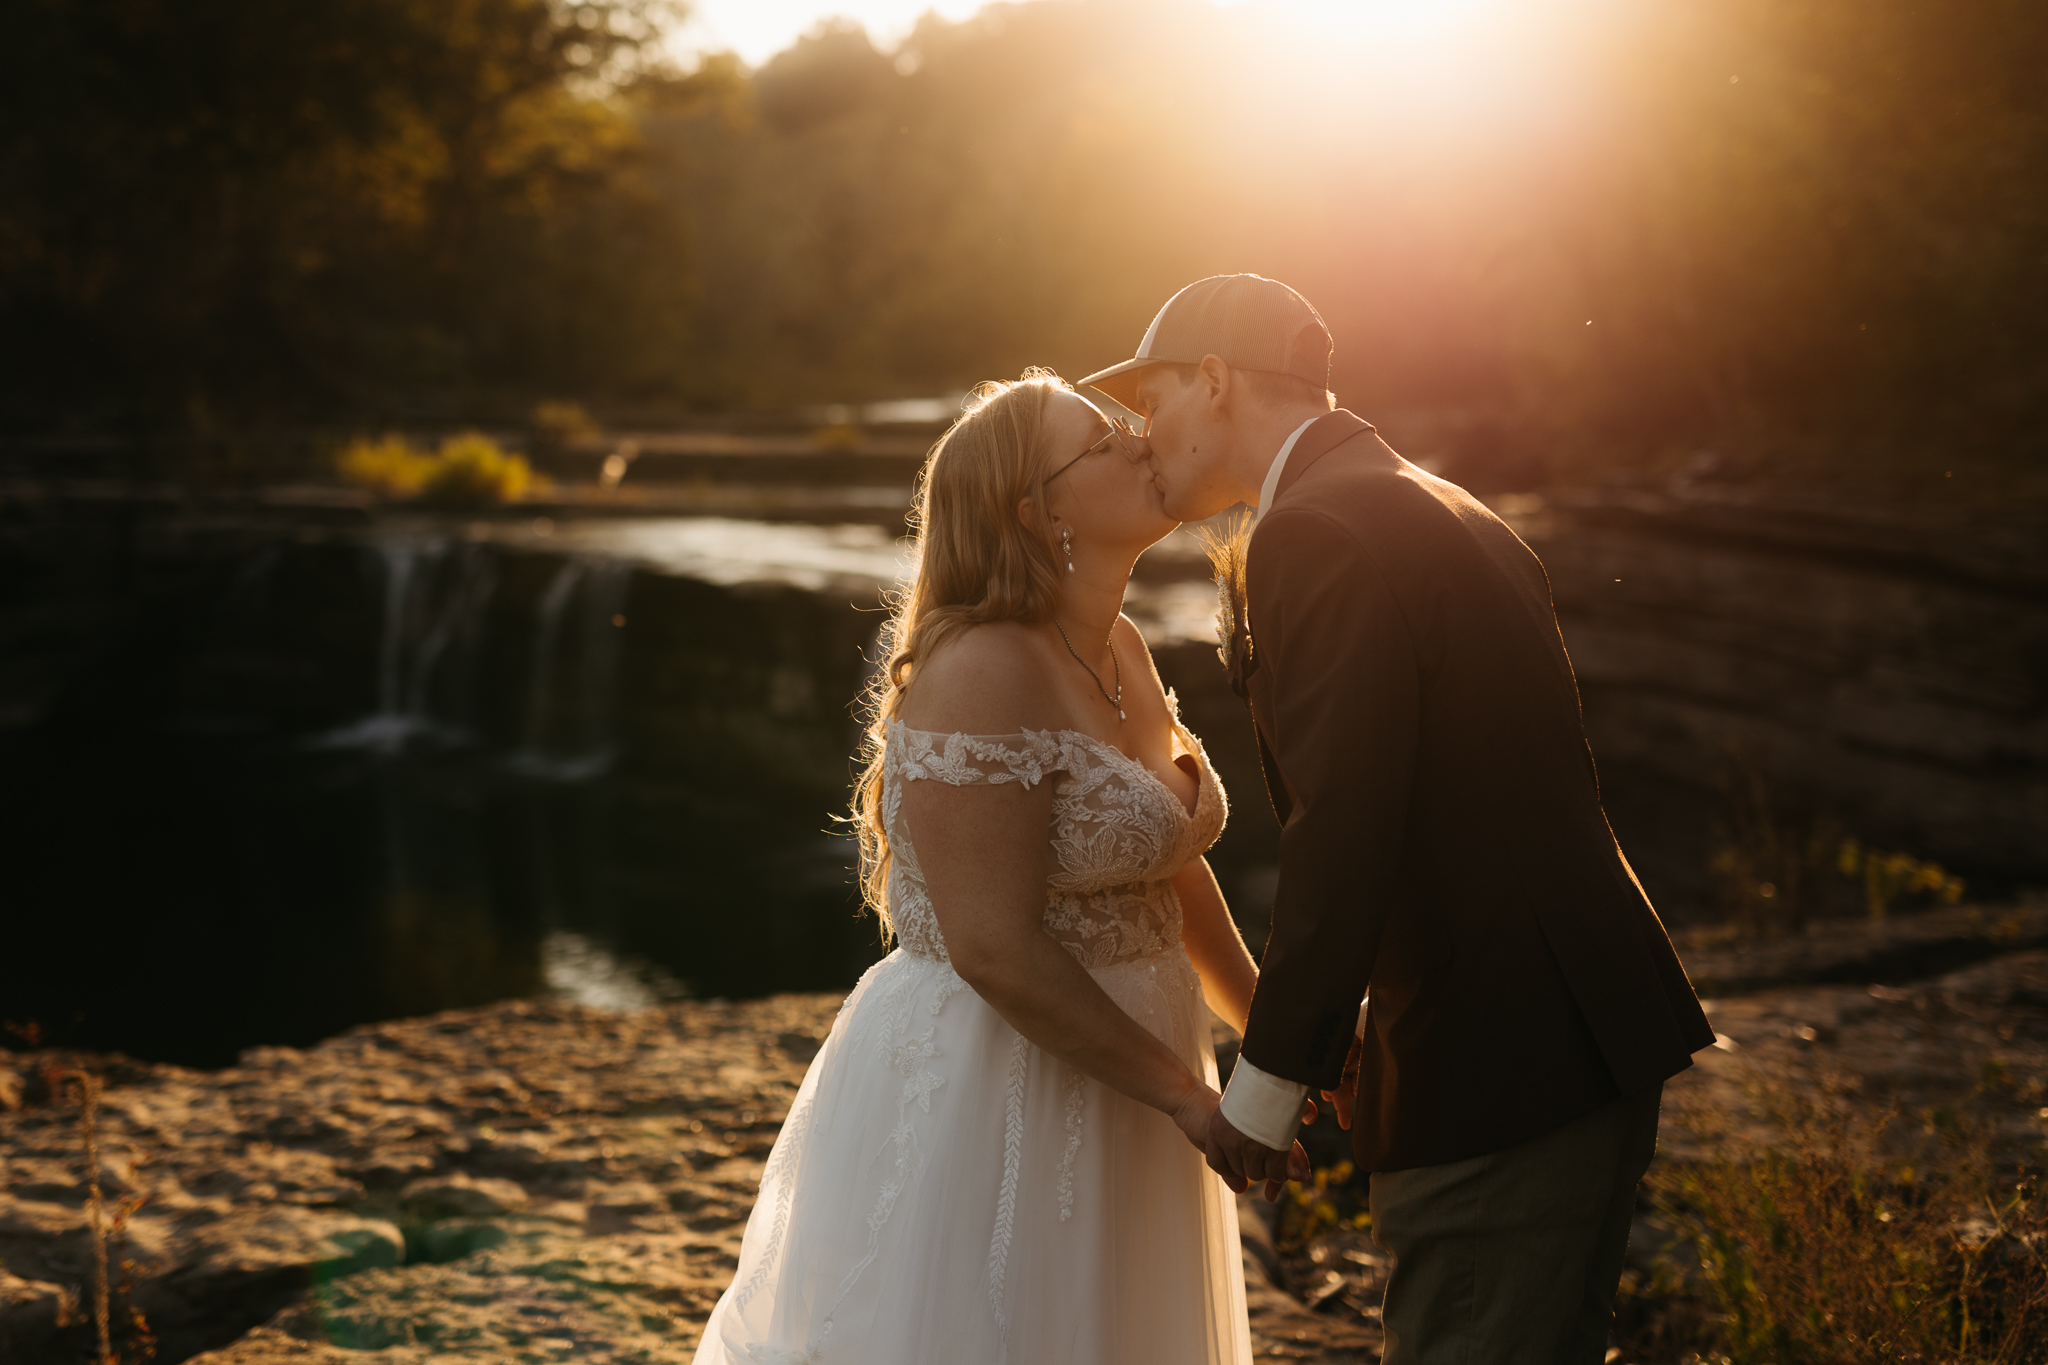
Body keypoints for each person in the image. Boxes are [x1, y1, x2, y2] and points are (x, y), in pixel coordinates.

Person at [1079, 274, 1716, 1364]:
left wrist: (1266, 1086)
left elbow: (1344, 832)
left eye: (1156, 398)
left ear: (1218, 381)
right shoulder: (1436, 500)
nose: (1146, 433)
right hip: (1580, 1028)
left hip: (1494, 1057)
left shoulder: (1316, 531)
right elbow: (1453, 805)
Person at [691, 369, 1286, 1365]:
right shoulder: (981, 667)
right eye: (1101, 442)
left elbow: (1168, 867)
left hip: (1141, 1068)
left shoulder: (1122, 648)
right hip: (1001, 1079)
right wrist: (1188, 1100)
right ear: (1033, 509)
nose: (1142, 442)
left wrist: (1273, 1042)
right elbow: (993, 946)